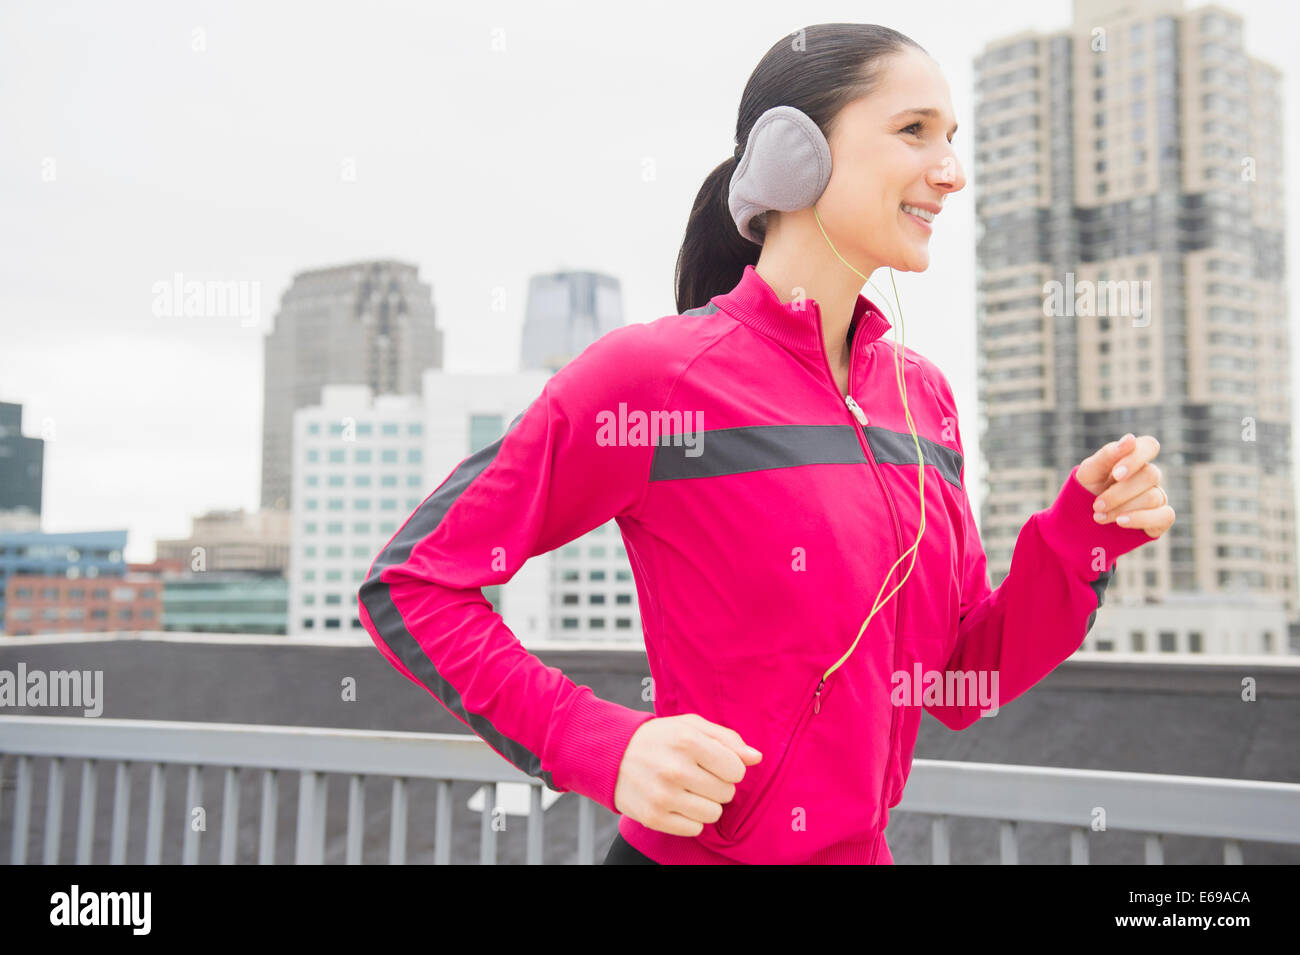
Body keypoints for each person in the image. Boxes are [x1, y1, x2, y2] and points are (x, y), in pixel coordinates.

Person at [358, 22, 1175, 866]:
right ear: (794, 153)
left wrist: (1082, 538)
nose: (951, 172)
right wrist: (599, 741)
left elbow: (963, 679)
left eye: (952, 140)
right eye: (913, 131)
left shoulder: (919, 396)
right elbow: (414, 582)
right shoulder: (656, 378)